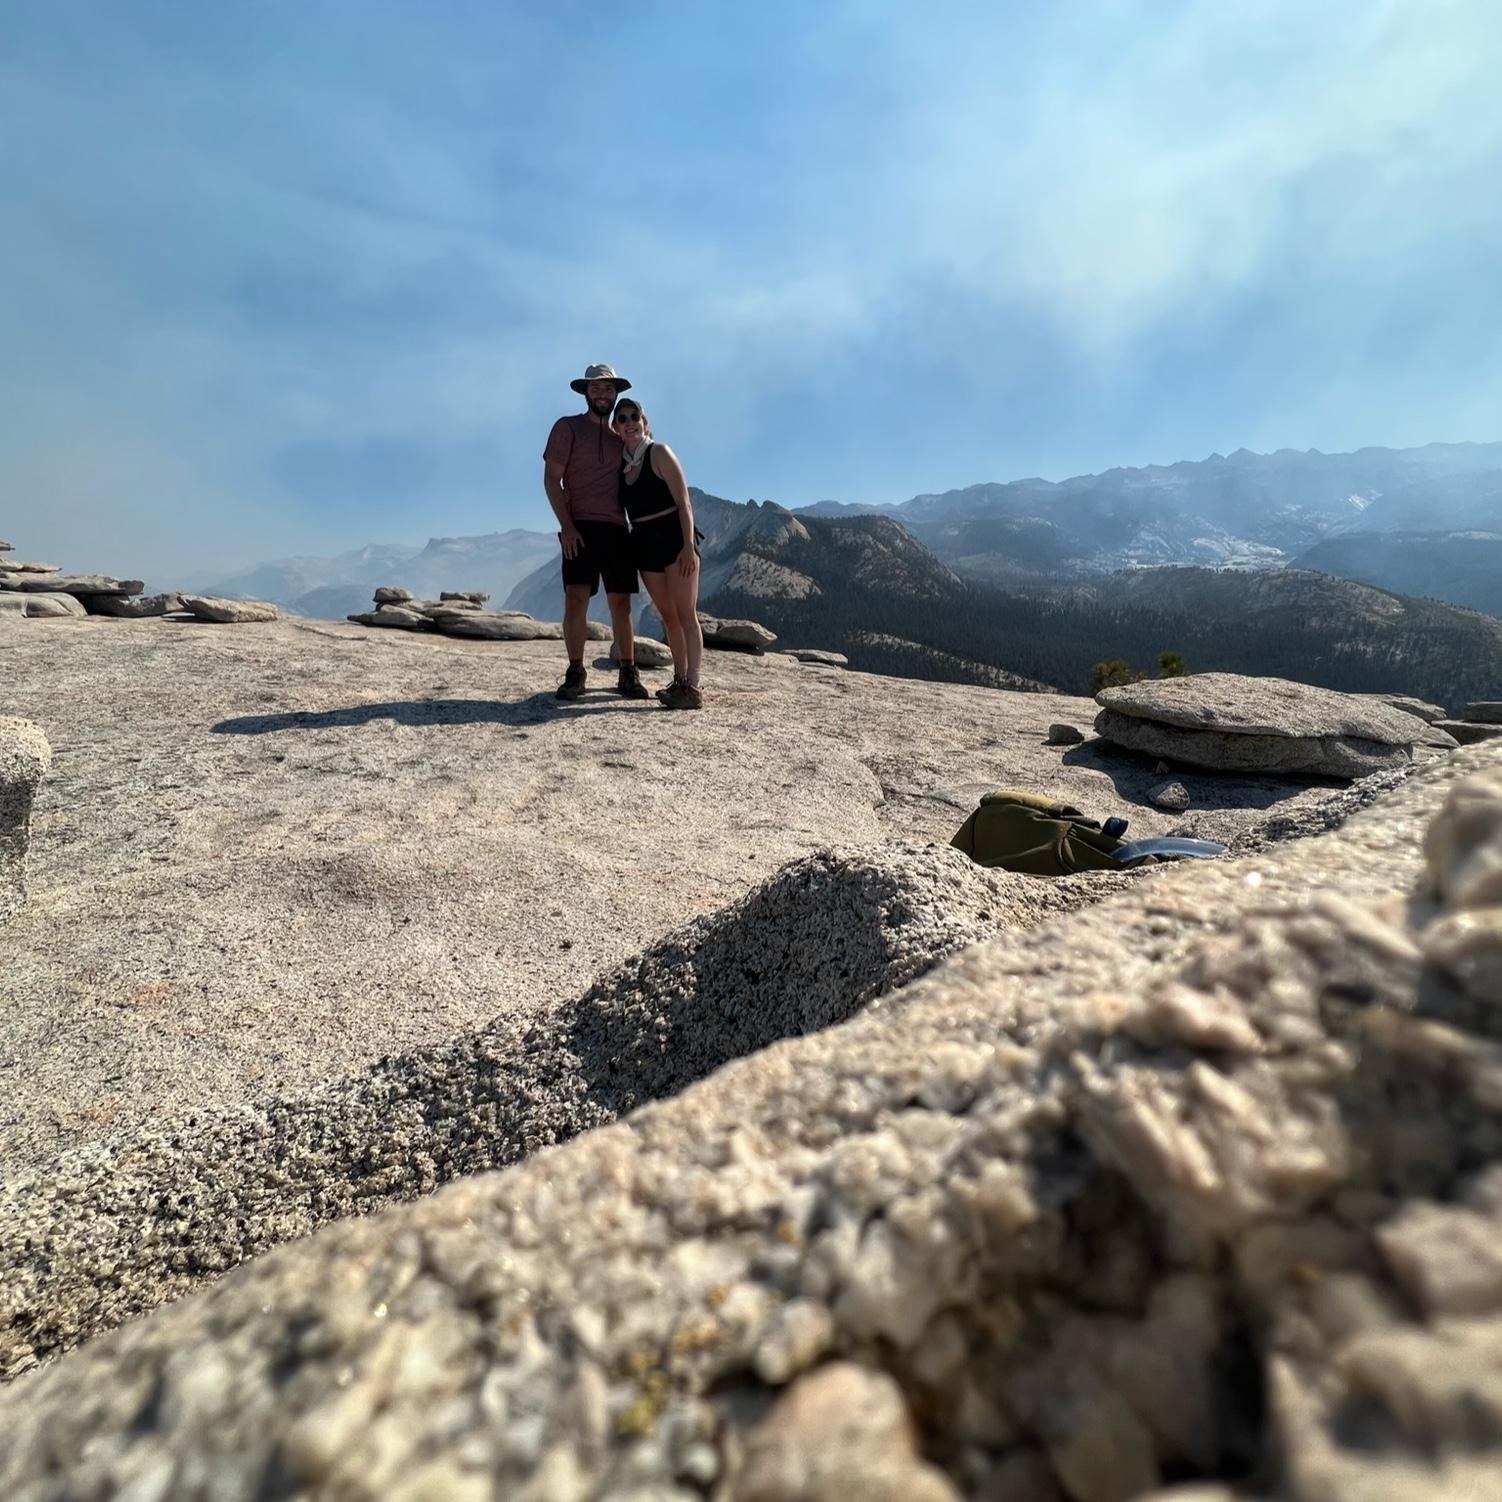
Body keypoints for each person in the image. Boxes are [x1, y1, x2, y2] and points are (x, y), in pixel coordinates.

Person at [543, 363, 649, 700]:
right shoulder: (567, 428)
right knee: (575, 601)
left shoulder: (621, 434)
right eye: (596, 388)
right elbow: (551, 479)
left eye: (607, 388)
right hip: (580, 528)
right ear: (586, 392)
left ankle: (628, 671)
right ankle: (575, 670)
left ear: (616, 393)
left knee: (621, 604)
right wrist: (568, 527)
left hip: (617, 527)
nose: (602, 393)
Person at [613, 397, 704, 709]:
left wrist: (688, 546)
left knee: (686, 614)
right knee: (668, 615)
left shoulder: (659, 452)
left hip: (674, 541)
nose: (629, 423)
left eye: (634, 416)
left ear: (645, 420)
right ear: (616, 427)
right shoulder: (622, 465)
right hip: (644, 544)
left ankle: (693, 685)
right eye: (622, 418)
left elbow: (684, 502)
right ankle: (679, 681)